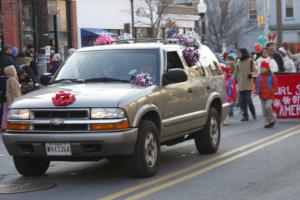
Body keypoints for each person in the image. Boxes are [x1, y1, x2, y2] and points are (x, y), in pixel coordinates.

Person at [233, 48, 257, 121]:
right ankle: (245, 116)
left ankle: (253, 113)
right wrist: (231, 80)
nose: (238, 54)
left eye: (239, 53)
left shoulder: (251, 61)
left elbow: (256, 71)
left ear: (243, 53)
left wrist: (252, 74)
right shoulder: (238, 63)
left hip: (248, 84)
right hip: (241, 84)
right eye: (237, 53)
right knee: (242, 102)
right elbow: (235, 73)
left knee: (248, 100)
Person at [254, 61, 278, 128]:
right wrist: (256, 91)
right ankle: (267, 122)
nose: (262, 69)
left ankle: (272, 119)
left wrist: (272, 91)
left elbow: (275, 85)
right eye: (261, 67)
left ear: (267, 68)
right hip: (262, 95)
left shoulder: (271, 76)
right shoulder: (259, 77)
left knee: (268, 107)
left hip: (269, 95)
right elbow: (256, 85)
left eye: (263, 68)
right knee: (264, 110)